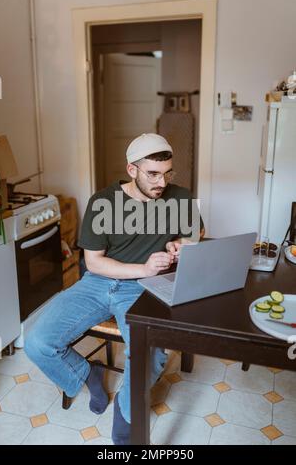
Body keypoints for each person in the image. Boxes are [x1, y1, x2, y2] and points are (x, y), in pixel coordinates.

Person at [25, 133, 204, 445]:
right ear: (132, 170)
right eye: (153, 174)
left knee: (148, 354)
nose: (162, 182)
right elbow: (93, 263)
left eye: (167, 173)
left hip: (143, 289)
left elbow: (197, 232)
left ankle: (127, 412)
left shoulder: (180, 198)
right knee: (37, 342)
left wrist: (181, 243)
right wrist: (144, 267)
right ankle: (87, 374)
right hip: (98, 283)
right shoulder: (103, 202)